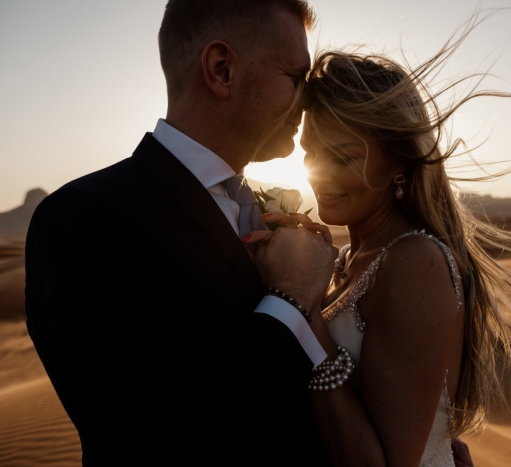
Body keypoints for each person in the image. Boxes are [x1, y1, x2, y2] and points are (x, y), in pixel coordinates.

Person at [25, 1, 338, 465]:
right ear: (221, 69)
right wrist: (288, 298)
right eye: (295, 77)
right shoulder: (82, 220)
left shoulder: (269, 206)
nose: (307, 100)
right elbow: (160, 442)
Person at [252, 25, 511, 467]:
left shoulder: (416, 263)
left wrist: (304, 309)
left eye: (343, 156)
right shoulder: (348, 259)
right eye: (309, 152)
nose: (318, 172)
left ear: (398, 161)